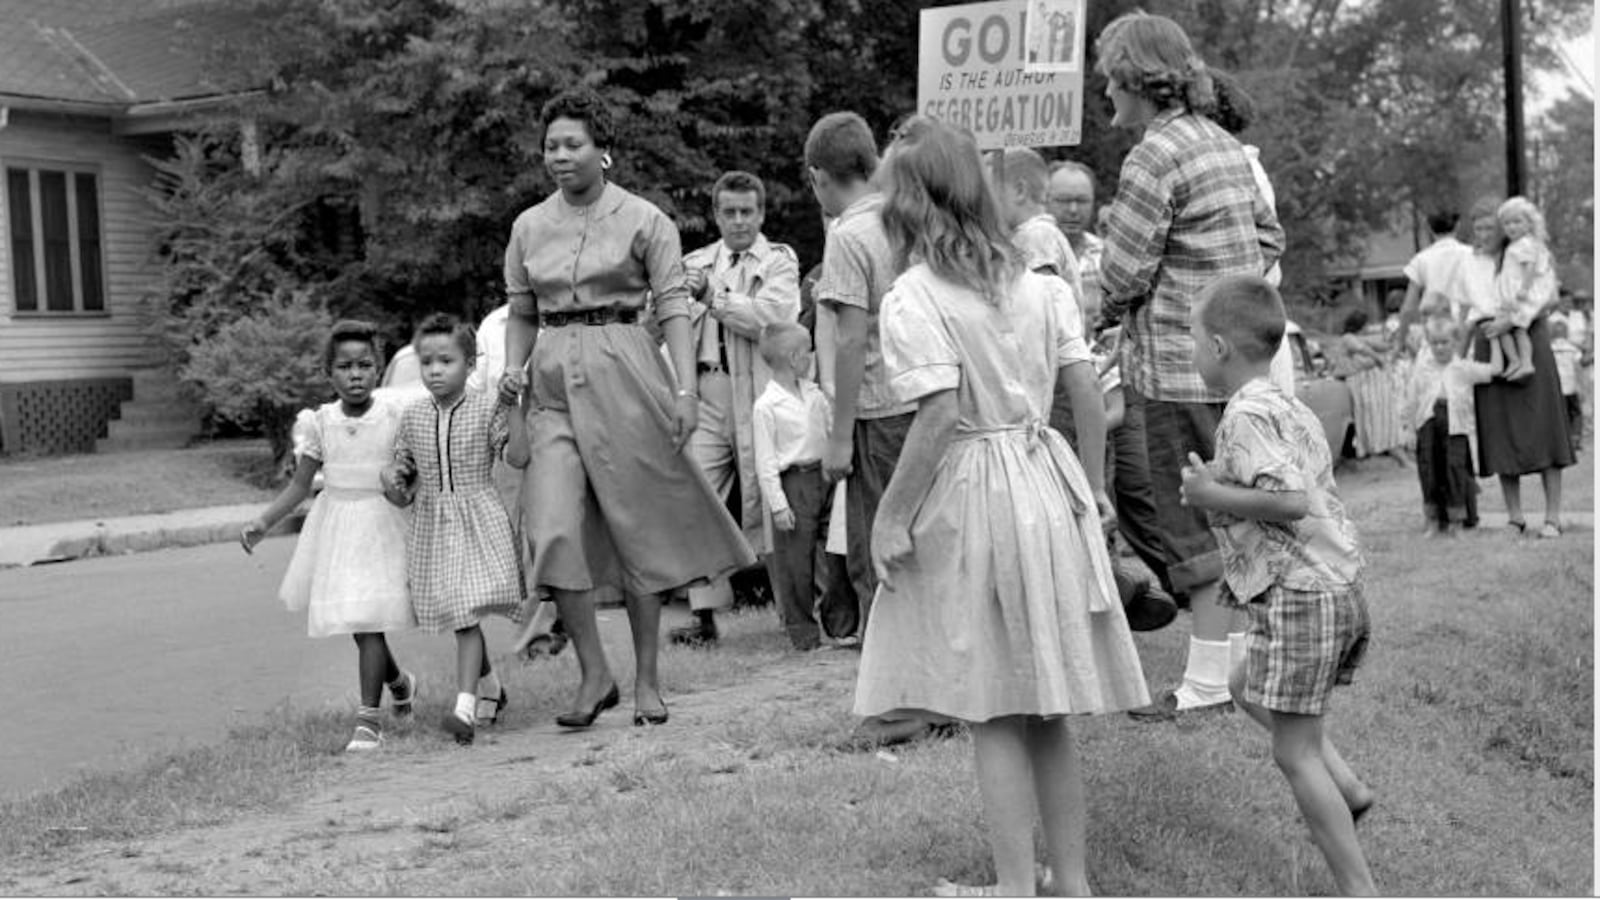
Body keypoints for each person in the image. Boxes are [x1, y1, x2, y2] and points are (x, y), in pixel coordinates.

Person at [856, 117, 1147, 898]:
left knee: (991, 706)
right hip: (1047, 483)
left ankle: (1018, 888)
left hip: (977, 491)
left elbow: (941, 414)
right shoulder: (1040, 283)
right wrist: (1090, 488)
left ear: (909, 203)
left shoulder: (915, 295)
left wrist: (890, 516)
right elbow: (1086, 390)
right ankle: (1074, 884)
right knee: (1045, 706)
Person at [499, 88, 755, 729]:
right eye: (551, 145)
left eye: (573, 144)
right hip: (552, 377)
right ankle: (594, 672)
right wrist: (512, 369)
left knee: (635, 524)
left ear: (602, 150)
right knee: (552, 527)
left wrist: (687, 391)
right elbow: (522, 311)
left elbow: (672, 305)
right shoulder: (528, 226)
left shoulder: (646, 220)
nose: (559, 156)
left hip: (627, 367)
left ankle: (646, 680)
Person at [1095, 11, 1285, 719]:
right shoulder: (1222, 145)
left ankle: (1206, 688)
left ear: (1135, 79)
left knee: (1190, 528)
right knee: (1232, 519)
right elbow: (1269, 236)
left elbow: (1122, 274)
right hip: (1229, 365)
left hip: (1173, 366)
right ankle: (1237, 673)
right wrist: (1223, 282)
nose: (1104, 93)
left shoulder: (1154, 155)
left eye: (1110, 78)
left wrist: (1108, 306)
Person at [1181, 274, 1376, 896]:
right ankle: (1348, 787)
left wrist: (1211, 493)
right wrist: (1224, 486)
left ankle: (1358, 887)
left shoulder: (1243, 415)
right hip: (1338, 588)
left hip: (1302, 600)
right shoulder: (1285, 402)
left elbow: (1288, 501)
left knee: (1293, 753)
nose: (1189, 349)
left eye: (1191, 338)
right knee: (1244, 684)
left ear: (1217, 347)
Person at [807, 111, 937, 747]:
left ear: (818, 179)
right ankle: (933, 689)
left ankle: (898, 699)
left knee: (874, 553)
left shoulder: (848, 234)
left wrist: (838, 433)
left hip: (879, 411)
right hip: (929, 402)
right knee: (925, 544)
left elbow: (852, 337)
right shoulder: (911, 213)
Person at [240, 320, 416, 753]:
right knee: (359, 622)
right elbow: (301, 486)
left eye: (365, 365)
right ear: (328, 374)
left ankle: (368, 720)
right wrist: (263, 523)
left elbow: (410, 474)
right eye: (345, 366)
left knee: (368, 620)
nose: (355, 374)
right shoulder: (320, 422)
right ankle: (398, 681)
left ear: (378, 369)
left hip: (381, 526)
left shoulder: (393, 418)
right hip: (337, 527)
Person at [672, 170, 801, 647]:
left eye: (748, 211)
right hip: (707, 391)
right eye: (729, 212)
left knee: (772, 495)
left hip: (760, 392)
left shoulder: (780, 261)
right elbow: (665, 323)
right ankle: (704, 615)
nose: (739, 221)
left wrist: (711, 296)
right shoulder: (694, 261)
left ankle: (793, 606)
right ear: (716, 214)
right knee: (696, 495)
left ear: (762, 213)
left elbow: (771, 318)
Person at [381, 313, 522, 746]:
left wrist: (515, 406)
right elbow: (403, 478)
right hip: (433, 527)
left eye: (446, 360)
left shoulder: (487, 407)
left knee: (464, 615)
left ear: (470, 364)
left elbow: (517, 457)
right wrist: (392, 481)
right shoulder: (413, 416)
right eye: (427, 362)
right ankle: (492, 690)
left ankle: (464, 707)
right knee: (456, 612)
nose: (435, 370)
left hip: (478, 519)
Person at [1458, 197, 1574, 539]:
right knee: (1500, 429)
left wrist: (1515, 319)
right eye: (1478, 228)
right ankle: (1515, 516)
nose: (1485, 234)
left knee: (1544, 425)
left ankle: (1552, 516)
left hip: (1528, 336)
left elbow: (1549, 296)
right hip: (1489, 341)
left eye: (1490, 227)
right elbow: (1467, 305)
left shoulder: (1530, 252)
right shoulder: (1471, 262)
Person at [751, 322, 832, 651]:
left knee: (832, 553)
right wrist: (779, 505)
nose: (813, 355)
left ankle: (840, 624)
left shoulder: (815, 393)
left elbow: (828, 427)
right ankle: (803, 633)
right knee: (796, 562)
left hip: (824, 475)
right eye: (809, 350)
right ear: (794, 357)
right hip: (793, 481)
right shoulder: (766, 406)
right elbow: (766, 461)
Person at [1405, 317, 1494, 537]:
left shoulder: (1463, 368)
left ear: (1455, 343)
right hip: (1428, 424)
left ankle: (1457, 521)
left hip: (1455, 428)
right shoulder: (1422, 369)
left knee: (1455, 472)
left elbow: (1494, 370)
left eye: (1445, 342)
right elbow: (1411, 399)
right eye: (1435, 343)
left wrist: (1499, 341)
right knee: (1429, 472)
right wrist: (1409, 428)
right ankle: (1433, 520)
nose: (1440, 347)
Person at [997, 147, 1082, 297]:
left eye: (990, 190)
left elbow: (1038, 308)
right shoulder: (1039, 234)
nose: (983, 202)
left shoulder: (1036, 236)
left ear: (1019, 191)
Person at [1489, 196, 1558, 381]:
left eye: (1517, 222)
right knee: (1512, 330)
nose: (1511, 227)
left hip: (1520, 297)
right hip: (1511, 297)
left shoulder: (1526, 244)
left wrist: (1524, 289)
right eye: (1506, 224)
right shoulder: (1513, 246)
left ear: (1529, 223)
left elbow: (1530, 268)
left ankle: (1521, 361)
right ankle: (1517, 361)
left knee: (1515, 328)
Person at [1399, 210, 1473, 336]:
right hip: (1467, 327)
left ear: (1429, 228)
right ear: (1457, 225)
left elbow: (1408, 307)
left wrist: (1400, 341)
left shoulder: (1421, 259)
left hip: (1434, 328)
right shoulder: (1471, 254)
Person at [1548, 319, 1583, 456]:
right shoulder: (1572, 348)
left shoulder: (1549, 348)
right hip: (1572, 386)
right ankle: (1575, 440)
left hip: (1556, 389)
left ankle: (1560, 442)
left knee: (1559, 415)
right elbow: (1580, 363)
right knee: (1575, 414)